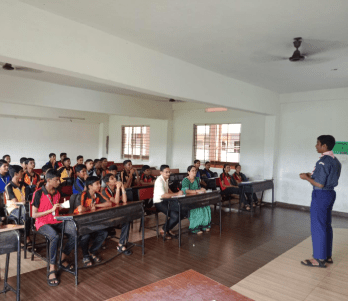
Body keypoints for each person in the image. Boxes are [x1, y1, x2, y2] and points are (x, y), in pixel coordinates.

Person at [300, 135, 341, 268]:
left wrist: (306, 178)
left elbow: (320, 184)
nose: (316, 146)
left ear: (324, 146)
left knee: (318, 226)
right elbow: (325, 178)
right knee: (326, 225)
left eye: (318, 144)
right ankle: (327, 256)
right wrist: (311, 175)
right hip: (330, 194)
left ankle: (318, 259)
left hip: (321, 195)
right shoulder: (336, 161)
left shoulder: (323, 161)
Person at [31, 169, 76, 286]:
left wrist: (60, 207)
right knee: (54, 236)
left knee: (75, 232)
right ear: (49, 180)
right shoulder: (38, 193)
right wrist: (50, 210)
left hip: (55, 220)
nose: (59, 182)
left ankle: (62, 257)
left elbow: (54, 209)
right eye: (56, 180)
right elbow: (33, 215)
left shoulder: (57, 193)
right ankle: (52, 268)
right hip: (42, 223)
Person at [74, 176, 110, 266]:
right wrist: (89, 208)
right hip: (80, 223)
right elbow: (80, 209)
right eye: (97, 184)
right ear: (90, 186)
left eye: (99, 183)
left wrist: (97, 206)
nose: (99, 185)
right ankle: (85, 255)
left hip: (92, 221)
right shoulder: (83, 195)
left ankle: (92, 251)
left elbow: (109, 203)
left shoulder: (97, 194)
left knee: (104, 232)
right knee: (86, 235)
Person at [101, 174, 132, 255]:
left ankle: (121, 244)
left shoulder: (115, 189)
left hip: (115, 215)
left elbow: (124, 200)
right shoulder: (105, 191)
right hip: (107, 216)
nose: (115, 179)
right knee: (125, 220)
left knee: (127, 220)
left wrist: (122, 188)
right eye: (112, 178)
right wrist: (118, 188)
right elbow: (116, 202)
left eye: (115, 177)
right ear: (108, 183)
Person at [153, 164, 185, 240]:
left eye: (169, 172)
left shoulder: (166, 179)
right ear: (161, 172)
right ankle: (163, 230)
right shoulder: (159, 181)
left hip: (167, 201)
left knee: (182, 213)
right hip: (159, 202)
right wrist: (176, 194)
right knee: (175, 216)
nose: (168, 174)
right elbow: (163, 195)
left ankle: (167, 228)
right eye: (166, 172)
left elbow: (168, 190)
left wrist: (177, 195)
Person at [5, 165, 31, 245]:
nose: (23, 173)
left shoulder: (24, 185)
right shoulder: (9, 187)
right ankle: (26, 237)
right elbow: (15, 201)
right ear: (16, 174)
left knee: (28, 214)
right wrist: (24, 202)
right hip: (13, 208)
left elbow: (29, 197)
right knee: (24, 214)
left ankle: (25, 234)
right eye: (21, 172)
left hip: (24, 207)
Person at [181, 165, 211, 234]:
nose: (194, 172)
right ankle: (195, 228)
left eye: (195, 171)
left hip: (196, 198)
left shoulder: (197, 179)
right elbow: (186, 191)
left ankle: (204, 225)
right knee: (197, 208)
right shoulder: (185, 180)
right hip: (188, 199)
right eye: (192, 171)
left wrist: (202, 189)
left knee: (206, 206)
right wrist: (197, 191)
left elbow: (199, 188)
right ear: (188, 172)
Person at [0, 160, 11, 225]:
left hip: (9, 195)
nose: (7, 167)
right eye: (4, 166)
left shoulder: (9, 175)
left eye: (7, 166)